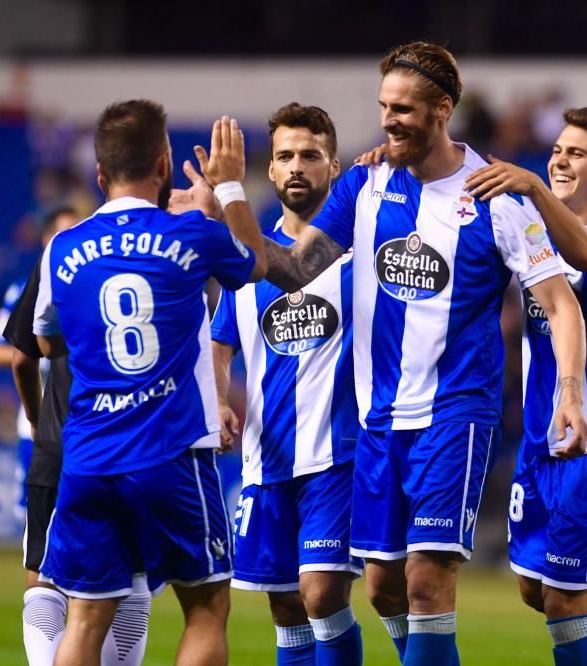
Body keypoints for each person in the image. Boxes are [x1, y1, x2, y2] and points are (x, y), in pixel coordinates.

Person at [257, 42, 587, 665]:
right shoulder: (364, 181)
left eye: (403, 109)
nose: (388, 120)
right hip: (377, 420)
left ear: (443, 109)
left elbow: (560, 302)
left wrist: (570, 392)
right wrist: (230, 212)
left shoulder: (497, 197)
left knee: (427, 583)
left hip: (454, 416)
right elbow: (298, 270)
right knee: (383, 589)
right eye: (384, 107)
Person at [32, 99, 267, 666]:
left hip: (88, 458)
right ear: (164, 164)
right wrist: (228, 191)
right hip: (171, 454)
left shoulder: (60, 248)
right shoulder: (189, 234)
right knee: (207, 608)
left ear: (98, 173)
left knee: (85, 618)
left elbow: (45, 339)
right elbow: (256, 263)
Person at [463, 107, 587, 666]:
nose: (561, 160)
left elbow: (586, 256)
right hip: (538, 439)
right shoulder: (531, 231)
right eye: (558, 150)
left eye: (577, 153)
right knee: (535, 589)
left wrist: (536, 189)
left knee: (567, 599)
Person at [210, 103, 363, 665]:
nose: (297, 166)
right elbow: (219, 344)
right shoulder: (245, 264)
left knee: (321, 595)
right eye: (285, 156)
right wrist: (220, 395)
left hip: (338, 454)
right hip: (267, 457)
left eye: (310, 155)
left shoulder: (357, 252)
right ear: (270, 172)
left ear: (334, 167)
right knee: (286, 611)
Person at [3, 210, 153, 666]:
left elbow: (22, 359)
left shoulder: (59, 255)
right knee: (133, 583)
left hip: (62, 443)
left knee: (44, 584)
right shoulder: (158, 255)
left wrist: (37, 420)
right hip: (135, 446)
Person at [0, 207, 78, 519]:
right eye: (61, 233)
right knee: (38, 524)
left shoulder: (89, 287)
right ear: (45, 240)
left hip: (85, 421)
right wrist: (41, 353)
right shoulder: (23, 291)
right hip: (39, 421)